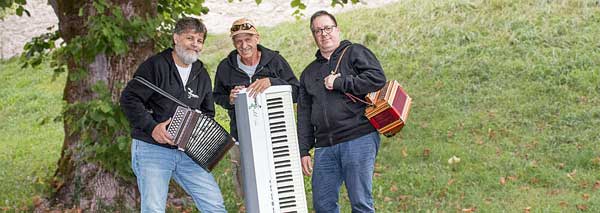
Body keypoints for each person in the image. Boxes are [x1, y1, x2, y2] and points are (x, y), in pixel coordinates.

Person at [120, 17, 226, 213]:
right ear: (176, 38)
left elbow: (207, 112)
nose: (195, 44)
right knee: (153, 208)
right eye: (190, 38)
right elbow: (129, 99)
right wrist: (152, 127)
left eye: (200, 40)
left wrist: (197, 137)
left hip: (187, 153)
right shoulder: (155, 66)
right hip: (152, 149)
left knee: (214, 205)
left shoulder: (201, 74)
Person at [297, 10, 386, 213]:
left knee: (360, 203)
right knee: (323, 206)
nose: (324, 33)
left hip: (358, 137)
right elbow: (304, 114)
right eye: (317, 30)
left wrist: (340, 82)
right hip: (325, 147)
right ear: (313, 36)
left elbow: (377, 79)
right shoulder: (309, 73)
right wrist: (303, 150)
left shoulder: (355, 52)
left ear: (337, 29)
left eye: (328, 28)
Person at [213, 18, 299, 197]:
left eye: (248, 39)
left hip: (275, 136)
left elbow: (297, 91)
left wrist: (272, 82)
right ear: (234, 43)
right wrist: (229, 99)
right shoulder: (225, 67)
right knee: (249, 191)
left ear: (257, 38)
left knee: (279, 188)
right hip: (241, 136)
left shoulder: (274, 61)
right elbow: (217, 96)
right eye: (238, 41)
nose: (244, 45)